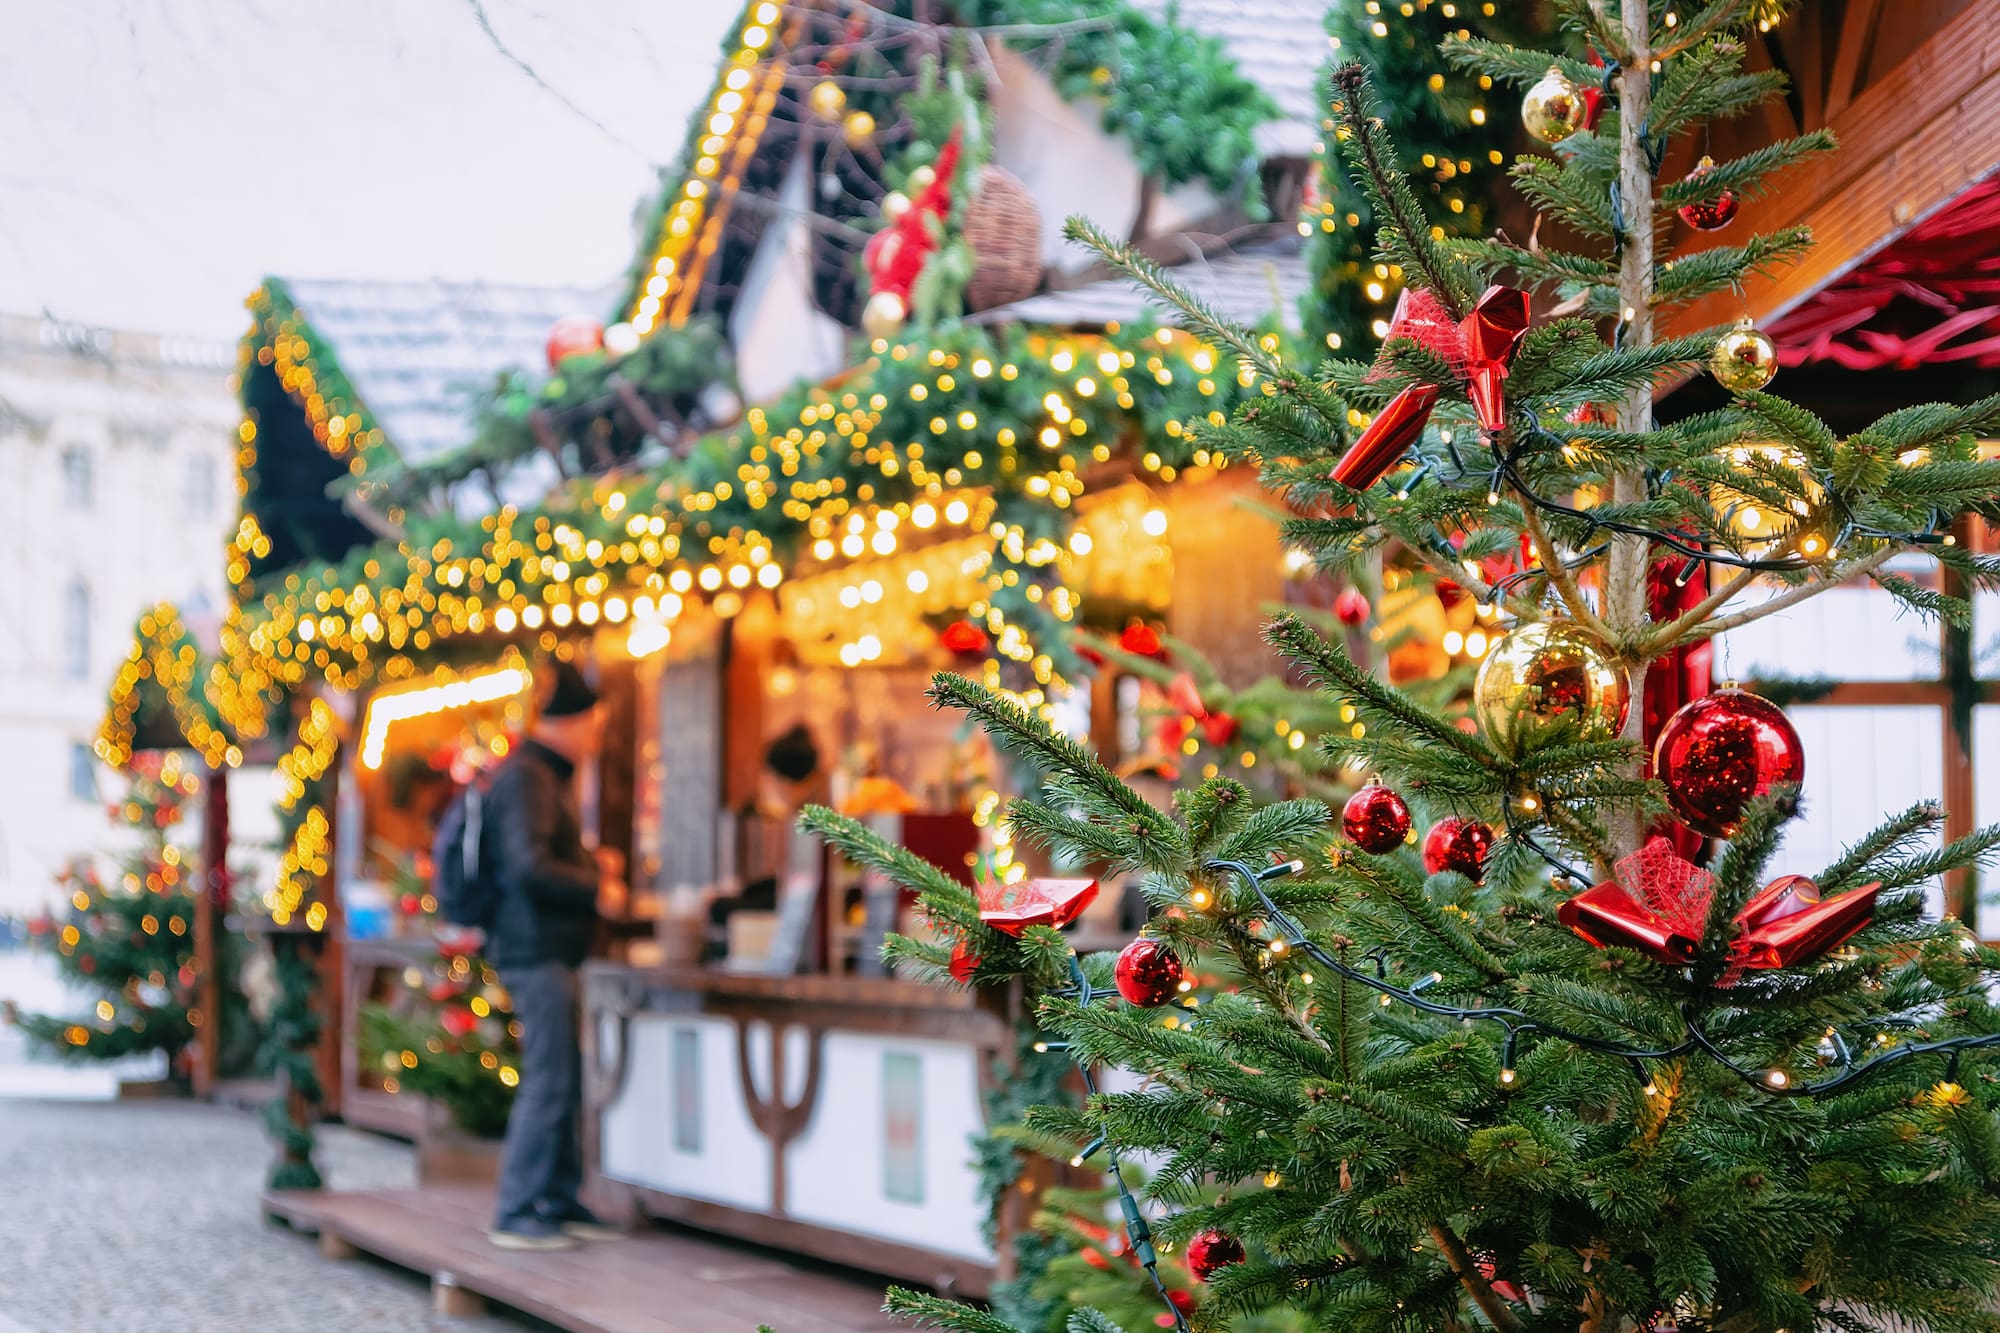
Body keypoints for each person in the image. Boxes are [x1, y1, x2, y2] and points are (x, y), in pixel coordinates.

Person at [482, 658, 619, 1251]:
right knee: (549, 1077)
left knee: (563, 1075)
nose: (596, 739)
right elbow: (527, 866)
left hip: (547, 949)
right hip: (534, 949)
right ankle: (517, 1209)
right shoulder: (529, 778)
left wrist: (587, 865)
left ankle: (558, 1199)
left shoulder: (539, 776)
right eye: (593, 726)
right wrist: (595, 886)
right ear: (569, 722)